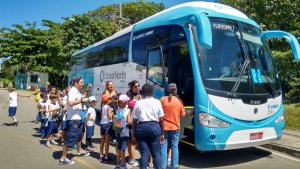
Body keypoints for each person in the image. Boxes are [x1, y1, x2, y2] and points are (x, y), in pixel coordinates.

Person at [59, 76, 91, 165]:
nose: (83, 84)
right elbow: (71, 103)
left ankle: (79, 151)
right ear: (76, 83)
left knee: (78, 137)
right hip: (73, 119)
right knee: (70, 137)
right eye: (81, 82)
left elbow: (82, 97)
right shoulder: (72, 91)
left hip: (78, 118)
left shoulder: (77, 91)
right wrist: (83, 100)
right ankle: (63, 158)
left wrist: (87, 90)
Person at [132, 84, 164, 169]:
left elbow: (134, 121)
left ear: (142, 92)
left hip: (141, 128)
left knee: (144, 153)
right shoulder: (157, 102)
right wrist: (162, 133)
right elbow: (161, 119)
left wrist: (133, 135)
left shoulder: (138, 103)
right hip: (155, 127)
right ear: (152, 92)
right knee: (156, 153)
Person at [160, 83, 185, 169]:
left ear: (168, 90)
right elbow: (182, 114)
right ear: (176, 90)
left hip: (164, 127)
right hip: (175, 127)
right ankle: (174, 166)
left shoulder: (162, 99)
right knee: (175, 147)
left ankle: (163, 166)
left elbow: (159, 113)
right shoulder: (179, 101)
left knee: (163, 146)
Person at [126, 80, 141, 167]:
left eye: (138, 85)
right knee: (132, 142)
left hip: (137, 120)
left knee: (134, 142)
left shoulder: (139, 93)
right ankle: (131, 159)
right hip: (131, 121)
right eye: (135, 86)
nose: (137, 87)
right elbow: (129, 106)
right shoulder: (129, 94)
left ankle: (131, 157)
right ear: (132, 87)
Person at [115, 94, 131, 169]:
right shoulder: (128, 110)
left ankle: (118, 161)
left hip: (118, 129)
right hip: (124, 130)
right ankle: (123, 163)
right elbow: (129, 121)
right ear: (125, 102)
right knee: (123, 147)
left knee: (118, 146)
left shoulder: (117, 109)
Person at [99, 93, 114, 163]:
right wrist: (112, 112)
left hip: (102, 124)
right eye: (110, 99)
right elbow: (110, 117)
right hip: (108, 125)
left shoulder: (103, 106)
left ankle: (101, 156)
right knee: (107, 142)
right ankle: (106, 157)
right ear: (107, 100)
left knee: (102, 141)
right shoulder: (108, 107)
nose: (111, 100)